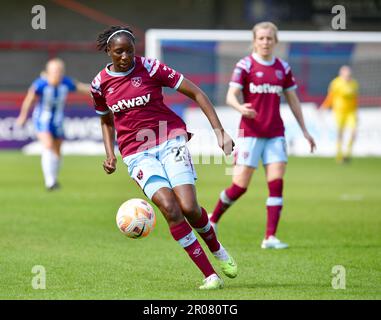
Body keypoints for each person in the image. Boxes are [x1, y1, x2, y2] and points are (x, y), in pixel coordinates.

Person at [91, 26, 237, 290]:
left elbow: (197, 93)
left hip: (169, 138)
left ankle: (219, 251)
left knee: (189, 207)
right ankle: (210, 276)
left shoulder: (151, 68)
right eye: (119, 52)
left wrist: (220, 132)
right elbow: (106, 120)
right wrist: (110, 154)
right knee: (171, 209)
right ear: (108, 51)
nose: (125, 57)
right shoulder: (100, 83)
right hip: (136, 153)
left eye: (130, 51)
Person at [209, 22, 316, 249]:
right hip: (250, 133)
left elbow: (293, 100)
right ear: (254, 40)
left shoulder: (283, 68)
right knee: (239, 187)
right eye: (261, 38)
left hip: (275, 134)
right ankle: (213, 219)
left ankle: (270, 237)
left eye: (269, 38)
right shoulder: (245, 65)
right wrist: (241, 108)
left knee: (276, 184)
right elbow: (230, 96)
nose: (265, 42)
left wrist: (305, 131)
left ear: (275, 41)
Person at [16, 58, 90, 190]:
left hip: (58, 120)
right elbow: (28, 100)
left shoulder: (66, 83)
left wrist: (100, 89)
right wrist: (22, 116)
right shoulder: (40, 84)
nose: (58, 73)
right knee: (48, 145)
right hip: (42, 119)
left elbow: (83, 88)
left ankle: (54, 179)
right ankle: (49, 182)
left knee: (57, 150)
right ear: (48, 72)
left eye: (60, 70)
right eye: (55, 70)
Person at [320, 65, 359, 163]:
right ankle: (339, 155)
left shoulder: (354, 84)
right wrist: (324, 107)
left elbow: (355, 99)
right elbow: (330, 97)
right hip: (339, 111)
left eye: (349, 75)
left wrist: (356, 111)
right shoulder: (336, 83)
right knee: (340, 133)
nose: (348, 76)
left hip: (351, 112)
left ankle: (348, 154)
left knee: (354, 132)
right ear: (341, 74)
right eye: (346, 74)